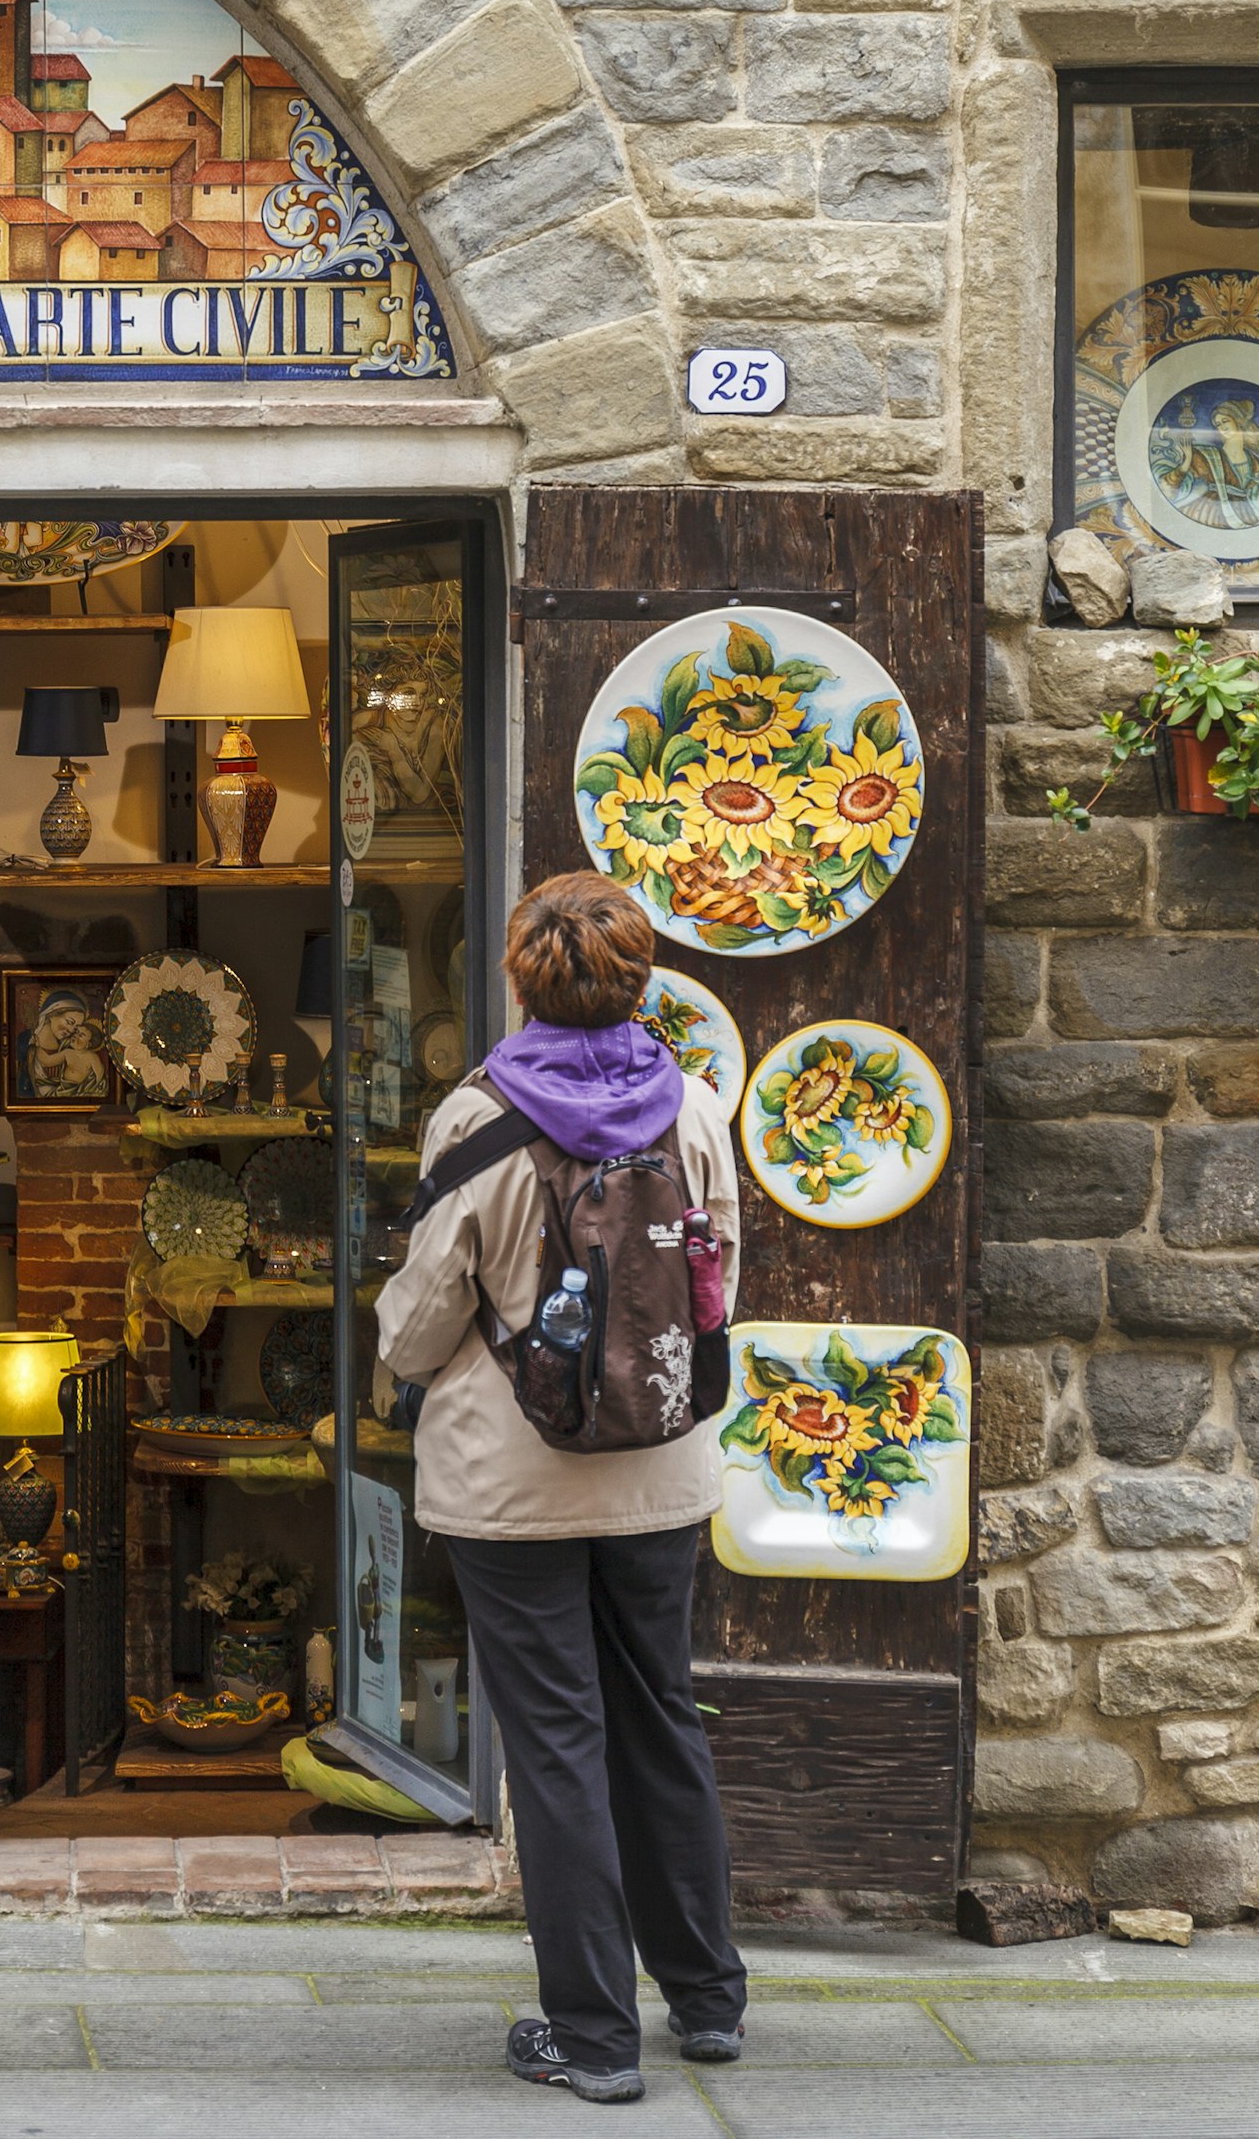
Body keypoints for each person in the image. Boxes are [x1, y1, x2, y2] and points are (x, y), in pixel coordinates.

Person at [374, 870, 747, 2105]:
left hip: (511, 1482)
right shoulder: (690, 1107)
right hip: (657, 1470)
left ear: (520, 977)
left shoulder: (477, 1119)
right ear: (638, 977)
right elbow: (717, 1282)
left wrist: (391, 1371)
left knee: (556, 1748)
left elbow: (430, 1307)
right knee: (662, 1715)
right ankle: (705, 2000)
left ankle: (591, 2037)